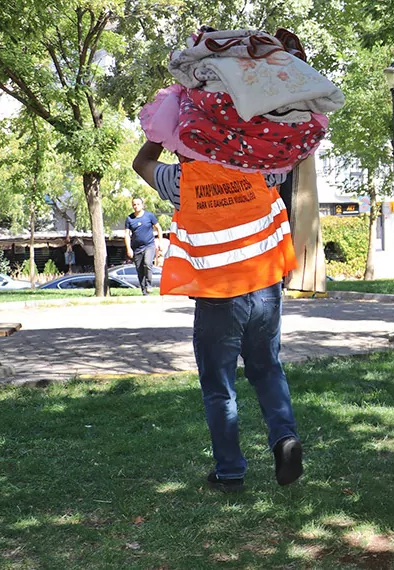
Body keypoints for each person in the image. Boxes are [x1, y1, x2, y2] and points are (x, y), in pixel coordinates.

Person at [133, 140, 303, 493]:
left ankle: (230, 471)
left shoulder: (181, 179)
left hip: (218, 297)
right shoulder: (261, 165)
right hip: (265, 288)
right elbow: (292, 153)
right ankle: (285, 438)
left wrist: (163, 134)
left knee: (219, 387)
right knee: (268, 368)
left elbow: (141, 162)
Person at [124, 197, 163, 295]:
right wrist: (128, 248)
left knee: (147, 263)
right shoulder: (129, 219)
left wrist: (160, 242)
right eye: (134, 204)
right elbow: (127, 235)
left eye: (138, 204)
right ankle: (144, 291)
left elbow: (159, 228)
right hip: (136, 248)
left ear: (142, 205)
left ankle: (149, 284)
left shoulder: (149, 216)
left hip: (149, 245)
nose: (136, 206)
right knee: (140, 270)